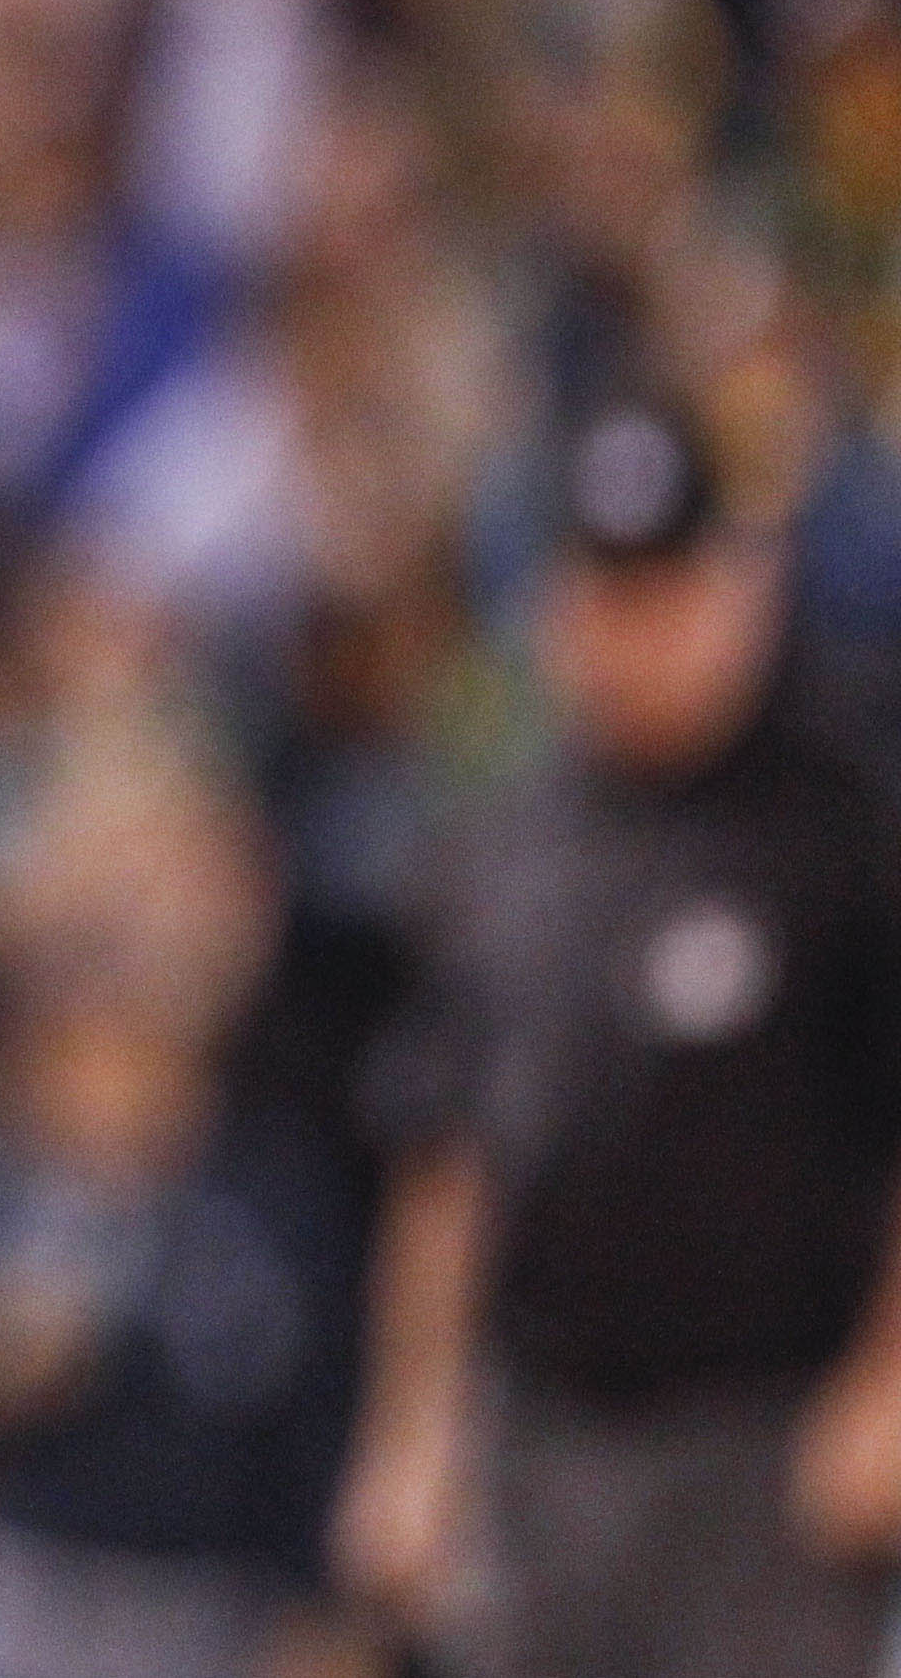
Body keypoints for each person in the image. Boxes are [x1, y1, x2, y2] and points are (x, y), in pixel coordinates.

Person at [332, 391, 901, 1678]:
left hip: (767, 1432)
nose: (631, 637)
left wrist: (887, 1386)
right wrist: (412, 1434)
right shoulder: (502, 838)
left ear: (742, 586)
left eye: (666, 594)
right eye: (600, 596)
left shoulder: (846, 816)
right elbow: (444, 1152)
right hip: (541, 1430)